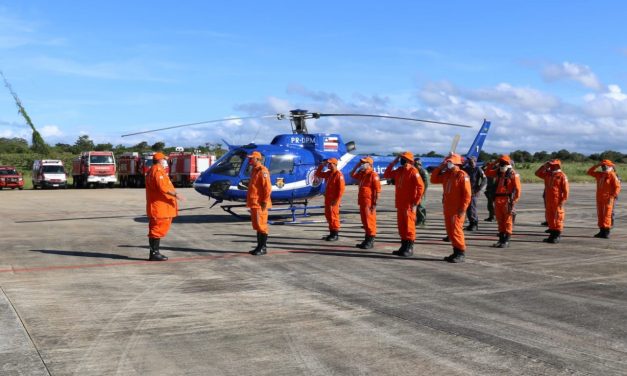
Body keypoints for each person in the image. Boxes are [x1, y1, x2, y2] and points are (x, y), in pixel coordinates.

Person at [430, 153, 472, 263]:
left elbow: (467, 195)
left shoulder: (462, 175)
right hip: (448, 208)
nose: (448, 164)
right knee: (450, 231)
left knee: (456, 231)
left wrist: (463, 209)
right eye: (447, 162)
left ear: (456, 163)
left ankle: (461, 253)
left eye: (450, 162)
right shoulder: (447, 175)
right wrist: (440, 167)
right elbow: (433, 179)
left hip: (457, 209)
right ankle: (455, 252)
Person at [383, 151, 425, 257]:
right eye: (401, 158)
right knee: (402, 226)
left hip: (409, 204)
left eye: (403, 158)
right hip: (400, 203)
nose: (401, 160)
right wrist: (394, 161)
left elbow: (421, 187)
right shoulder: (399, 170)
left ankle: (409, 247)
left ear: (409, 161)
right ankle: (403, 246)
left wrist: (416, 202)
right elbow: (386, 174)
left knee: (409, 226)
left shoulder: (413, 171)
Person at [145, 152, 183, 261]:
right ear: (161, 160)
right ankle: (154, 253)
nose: (165, 162)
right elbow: (162, 188)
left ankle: (154, 253)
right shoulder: (157, 171)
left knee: (156, 229)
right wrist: (176, 194)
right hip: (160, 207)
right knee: (157, 230)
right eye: (164, 159)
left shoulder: (154, 170)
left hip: (160, 207)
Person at [484, 155, 521, 248]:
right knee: (500, 220)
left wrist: (513, 201)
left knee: (507, 221)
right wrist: (494, 162)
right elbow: (487, 172)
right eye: (500, 163)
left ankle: (506, 240)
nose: (501, 165)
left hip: (507, 200)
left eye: (503, 163)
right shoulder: (498, 172)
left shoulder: (513, 174)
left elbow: (518, 190)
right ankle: (501, 240)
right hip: (497, 199)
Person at [535, 159, 569, 243]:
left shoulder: (562, 176)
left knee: (558, 217)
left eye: (552, 165)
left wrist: (563, 200)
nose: (551, 166)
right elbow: (537, 173)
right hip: (548, 199)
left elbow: (566, 190)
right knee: (550, 217)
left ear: (557, 166)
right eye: (550, 165)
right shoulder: (548, 174)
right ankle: (552, 233)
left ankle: (557, 235)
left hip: (557, 200)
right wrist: (544, 166)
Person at [350, 156, 381, 249]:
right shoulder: (362, 173)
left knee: (369, 222)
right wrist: (357, 165)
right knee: (365, 222)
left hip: (369, 203)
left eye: (364, 163)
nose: (362, 164)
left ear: (370, 164)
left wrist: (375, 204)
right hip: (362, 202)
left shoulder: (373, 175)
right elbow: (351, 174)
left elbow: (377, 191)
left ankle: (370, 240)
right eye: (361, 162)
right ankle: (367, 239)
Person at [587, 160, 621, 239]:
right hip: (599, 198)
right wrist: (597, 165)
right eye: (602, 165)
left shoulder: (612, 175)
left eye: (604, 165)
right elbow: (589, 172)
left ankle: (606, 231)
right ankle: (601, 231)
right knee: (600, 215)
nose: (603, 167)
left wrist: (612, 196)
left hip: (608, 198)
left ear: (609, 166)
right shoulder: (600, 174)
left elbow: (617, 187)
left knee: (607, 215)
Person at [246, 151, 272, 255]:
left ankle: (263, 248)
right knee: (257, 226)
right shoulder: (254, 170)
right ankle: (259, 247)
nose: (250, 160)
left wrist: (265, 201)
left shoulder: (262, 171)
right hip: (254, 203)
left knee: (262, 226)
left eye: (251, 158)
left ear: (257, 159)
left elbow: (268, 188)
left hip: (259, 203)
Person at [315, 157, 345, 241]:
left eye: (330, 163)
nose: (328, 165)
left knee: (334, 216)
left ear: (334, 164)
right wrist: (322, 165)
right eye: (328, 163)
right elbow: (318, 174)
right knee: (328, 216)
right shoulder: (329, 173)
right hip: (328, 199)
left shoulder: (339, 175)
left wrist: (336, 200)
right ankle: (331, 233)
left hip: (334, 200)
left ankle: (335, 234)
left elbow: (341, 190)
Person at [462, 156, 486, 232]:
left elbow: (484, 179)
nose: (470, 162)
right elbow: (459, 169)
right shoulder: (466, 169)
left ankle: (475, 224)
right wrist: (464, 163)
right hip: (466, 191)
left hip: (474, 191)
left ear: (475, 161)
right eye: (469, 161)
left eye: (471, 161)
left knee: (472, 208)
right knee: (468, 209)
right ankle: (471, 224)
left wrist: (479, 188)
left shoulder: (478, 169)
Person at [414, 157, 429, 226]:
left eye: (417, 163)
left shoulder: (423, 171)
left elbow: (426, 183)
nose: (416, 165)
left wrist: (423, 191)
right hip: (417, 190)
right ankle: (419, 219)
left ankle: (422, 221)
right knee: (417, 205)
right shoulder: (416, 171)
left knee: (421, 205)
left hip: (422, 190)